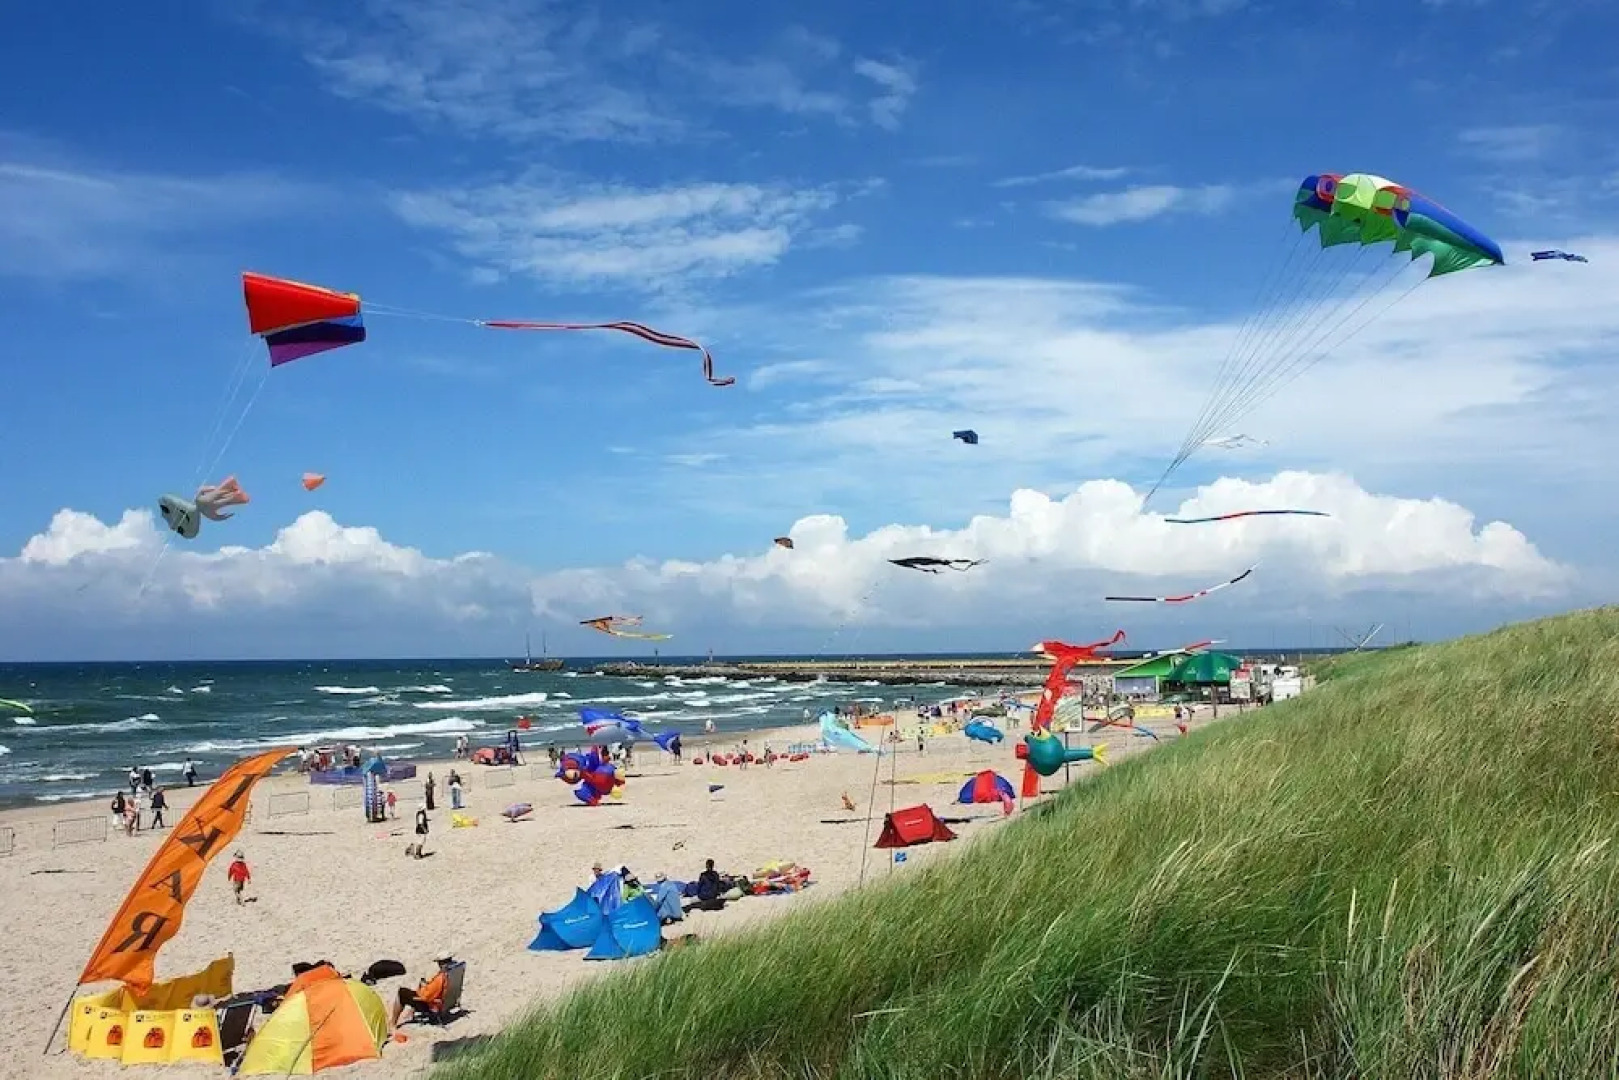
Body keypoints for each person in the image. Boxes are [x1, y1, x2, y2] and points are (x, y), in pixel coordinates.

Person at [389, 951, 455, 1029]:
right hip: (442, 1002)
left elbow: (426, 997)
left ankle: (393, 1023)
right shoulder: (452, 973)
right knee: (419, 986)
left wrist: (422, 988)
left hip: (432, 1005)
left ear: (441, 963)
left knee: (402, 993)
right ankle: (410, 1013)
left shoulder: (440, 978)